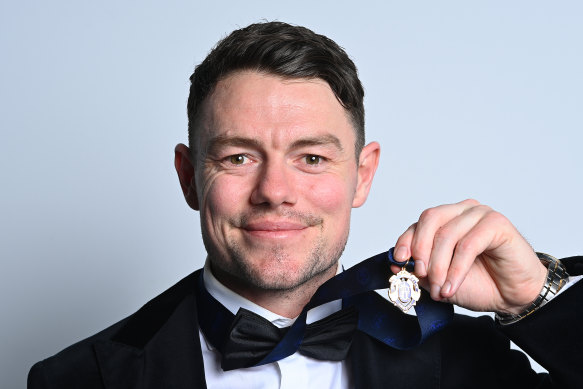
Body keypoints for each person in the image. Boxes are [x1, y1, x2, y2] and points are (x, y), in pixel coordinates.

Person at [28, 21, 582, 389]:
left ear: (362, 176)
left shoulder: (459, 360)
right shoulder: (78, 379)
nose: (275, 190)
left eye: (312, 158)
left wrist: (535, 297)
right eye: (239, 158)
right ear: (188, 177)